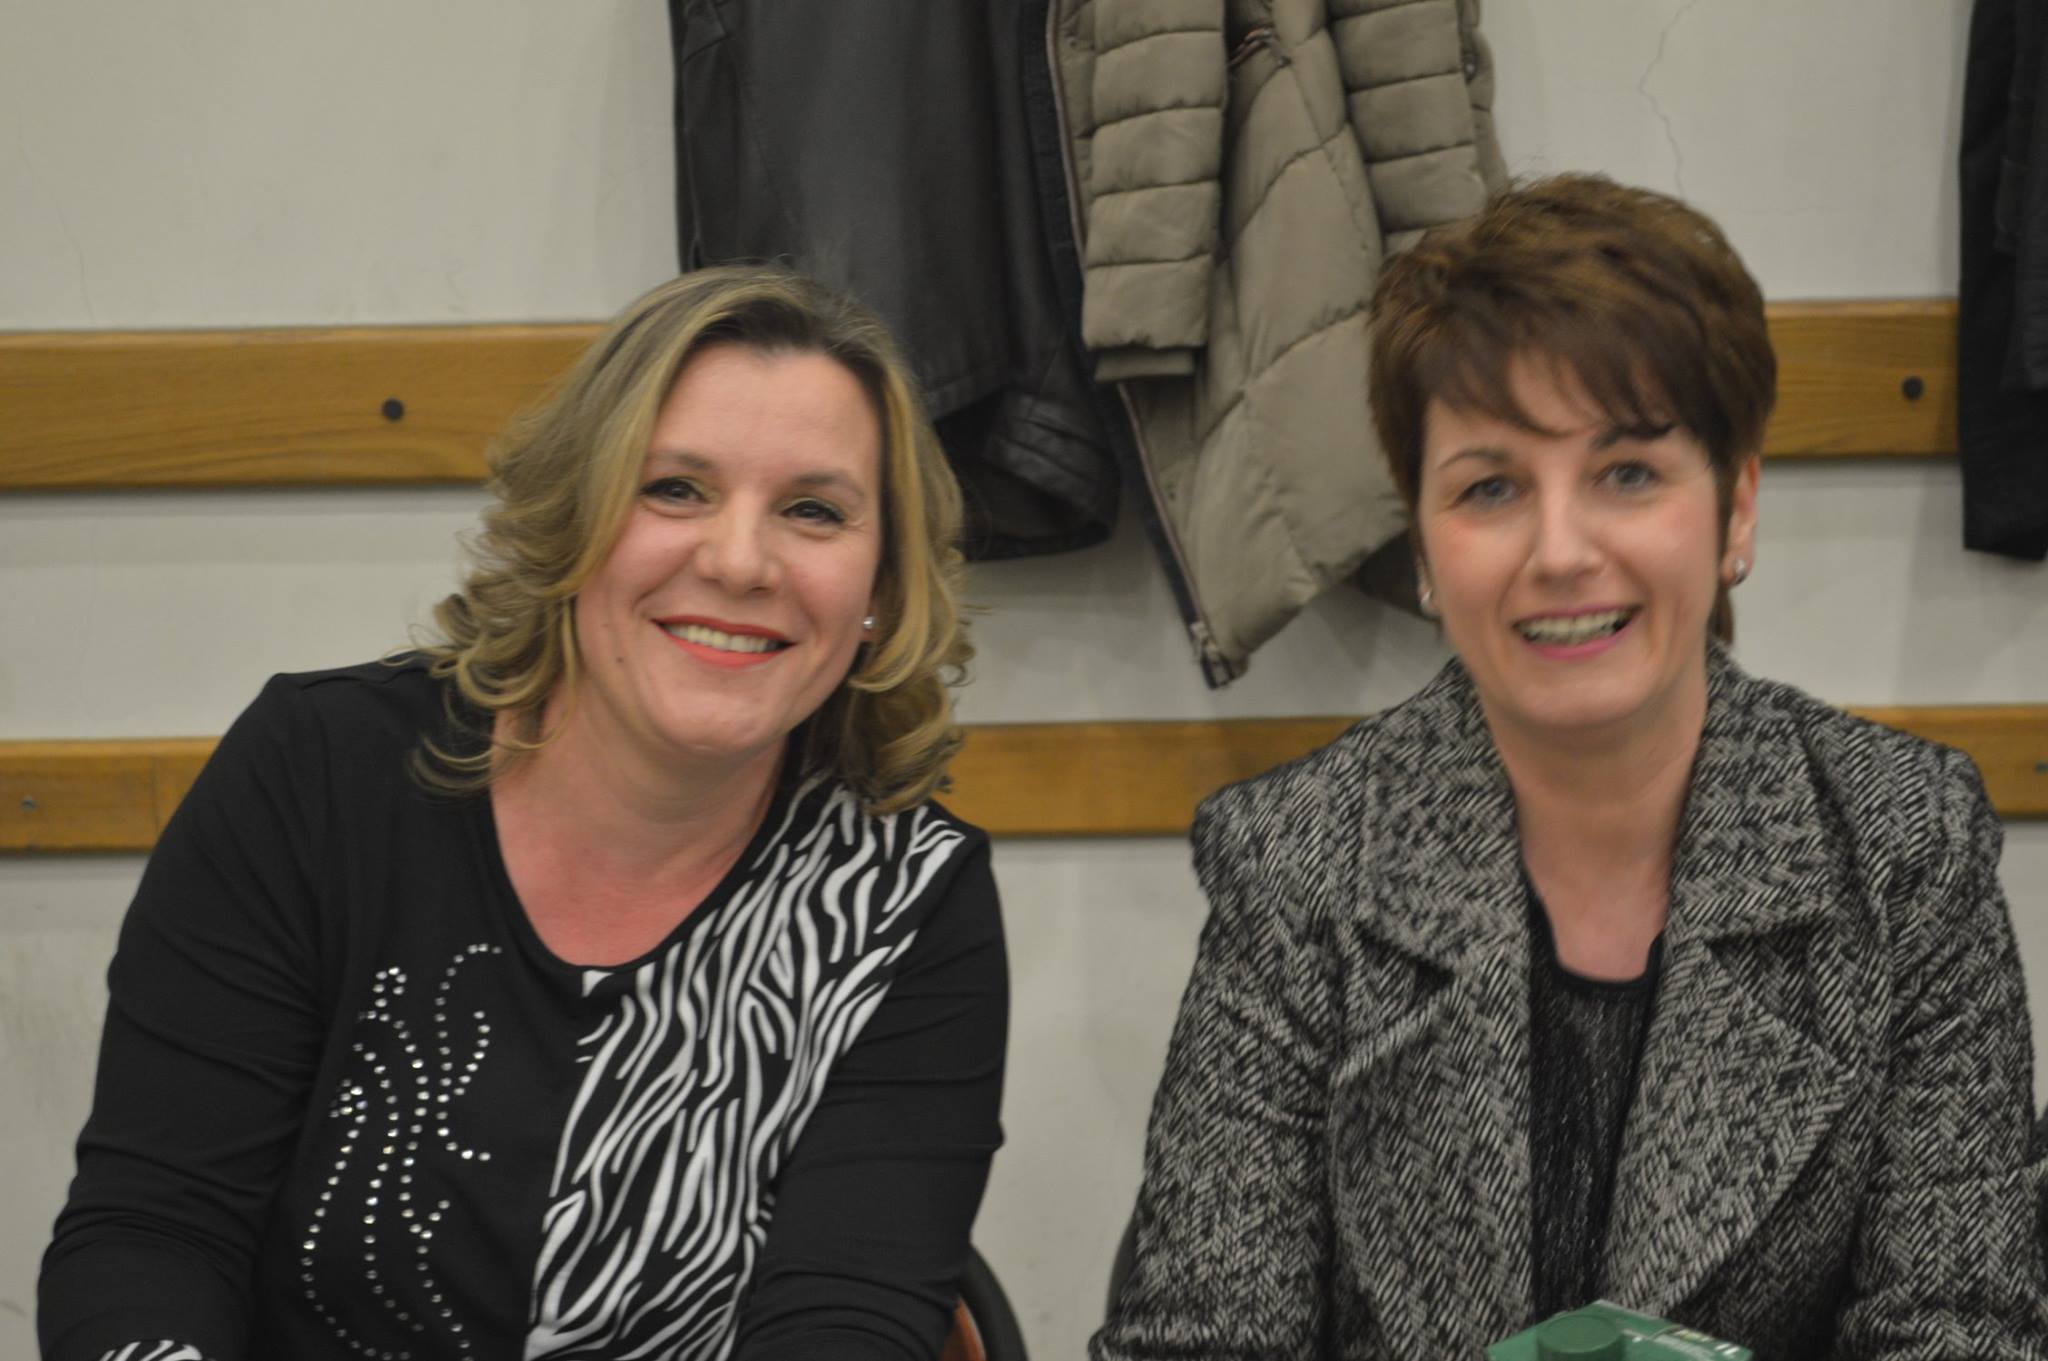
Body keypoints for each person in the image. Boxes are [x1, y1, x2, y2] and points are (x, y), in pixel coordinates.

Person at [1092, 176, 2044, 1360]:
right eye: (1489, 487)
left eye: (1626, 471)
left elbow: (1959, 1331)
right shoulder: (1296, 861)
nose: (1558, 550)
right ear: (1421, 547)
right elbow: (1199, 1343)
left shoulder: (1903, 848)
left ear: (1734, 509)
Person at [39, 267, 1007, 1361]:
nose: (739, 561)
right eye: (674, 489)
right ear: (572, 521)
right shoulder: (317, 774)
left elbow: (847, 1316)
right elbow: (155, 1233)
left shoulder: (905, 899)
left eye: (813, 510)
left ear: (880, 588)